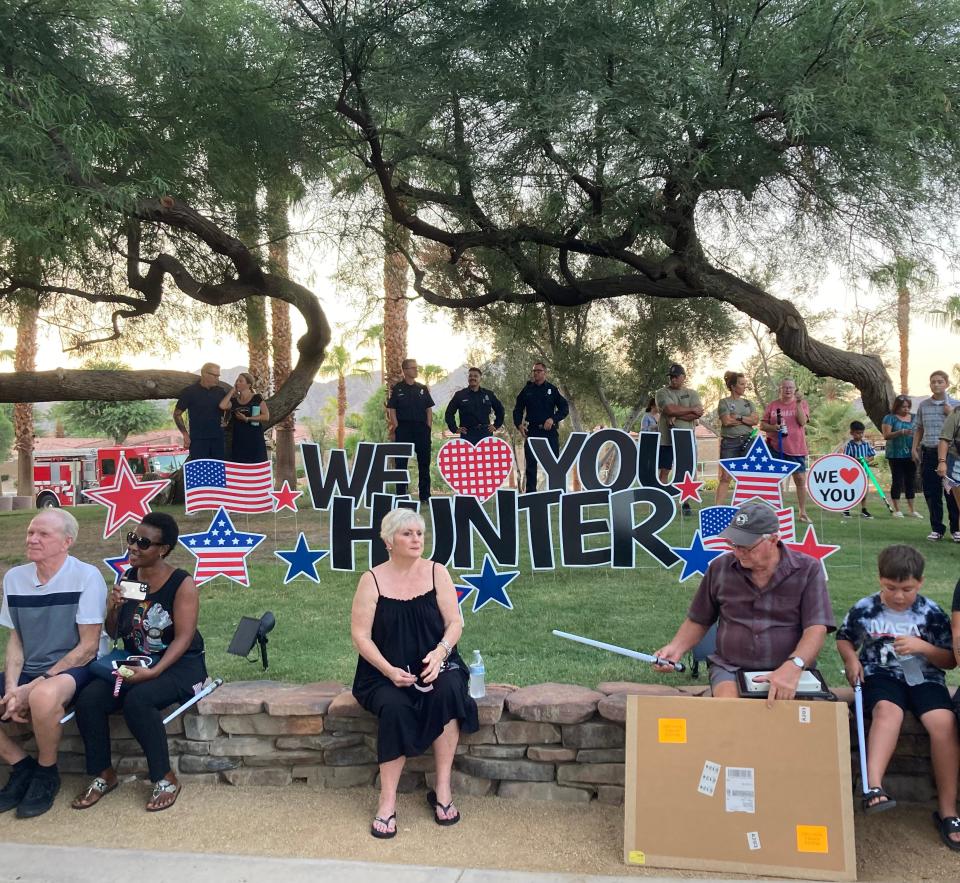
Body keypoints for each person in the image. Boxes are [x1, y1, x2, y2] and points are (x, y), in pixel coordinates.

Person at [350, 509, 479, 839]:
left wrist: (440, 653)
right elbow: (360, 636)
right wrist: (389, 670)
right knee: (394, 706)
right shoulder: (372, 579)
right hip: (383, 671)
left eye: (419, 533)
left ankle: (443, 789)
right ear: (388, 541)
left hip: (435, 662)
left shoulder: (438, 572)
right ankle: (387, 800)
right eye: (407, 534)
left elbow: (455, 623)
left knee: (449, 688)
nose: (416, 539)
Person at [72, 512, 205, 813]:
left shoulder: (182, 584)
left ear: (163, 549)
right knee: (89, 699)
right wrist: (113, 609)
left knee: (139, 701)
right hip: (135, 660)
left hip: (179, 664)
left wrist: (154, 672)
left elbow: (184, 638)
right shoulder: (129, 578)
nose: (133, 546)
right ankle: (103, 773)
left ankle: (165, 777)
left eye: (143, 543)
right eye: (132, 538)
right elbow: (115, 632)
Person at [836, 546, 960, 849]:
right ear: (880, 580)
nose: (899, 596)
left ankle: (948, 808)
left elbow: (949, 660)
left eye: (907, 589)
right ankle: (873, 786)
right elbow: (843, 637)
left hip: (925, 677)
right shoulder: (866, 608)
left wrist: (923, 648)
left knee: (943, 723)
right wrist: (851, 660)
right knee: (887, 712)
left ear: (920, 582)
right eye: (891, 588)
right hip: (881, 675)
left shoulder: (931, 612)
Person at [653, 499, 835, 704]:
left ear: (773, 540)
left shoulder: (807, 569)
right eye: (733, 544)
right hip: (731, 667)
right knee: (732, 713)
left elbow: (816, 627)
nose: (738, 552)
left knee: (795, 723)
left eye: (746, 547)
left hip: (789, 665)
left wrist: (794, 665)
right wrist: (675, 650)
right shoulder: (720, 568)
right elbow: (699, 619)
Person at [0, 510, 106, 818]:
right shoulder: (15, 578)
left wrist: (30, 687)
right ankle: (21, 765)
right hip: (32, 667)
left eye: (43, 534)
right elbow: (16, 640)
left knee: (42, 696)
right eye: (31, 532)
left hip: (76, 666)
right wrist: (11, 689)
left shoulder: (86, 576)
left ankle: (47, 772)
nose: (32, 539)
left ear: (66, 541)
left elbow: (87, 648)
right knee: (26, 692)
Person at [913, 370, 960, 542]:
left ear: (947, 384)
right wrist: (914, 448)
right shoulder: (924, 405)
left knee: (953, 491)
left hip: (952, 453)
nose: (937, 384)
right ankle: (937, 528)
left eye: (940, 381)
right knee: (932, 492)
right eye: (933, 382)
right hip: (929, 451)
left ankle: (956, 528)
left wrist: (950, 413)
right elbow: (919, 428)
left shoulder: (955, 405)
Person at [512, 361, 569, 492]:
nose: (536, 373)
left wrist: (553, 419)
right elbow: (518, 409)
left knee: (554, 464)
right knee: (531, 465)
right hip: (532, 431)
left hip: (549, 432)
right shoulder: (527, 390)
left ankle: (555, 493)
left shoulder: (552, 390)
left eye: (539, 371)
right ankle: (530, 495)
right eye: (534, 371)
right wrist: (519, 425)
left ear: (545, 373)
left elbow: (564, 408)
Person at [760, 378, 811, 523]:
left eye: (790, 387)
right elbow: (762, 425)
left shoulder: (801, 404)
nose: (787, 390)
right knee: (777, 481)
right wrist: (774, 427)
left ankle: (802, 512)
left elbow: (802, 422)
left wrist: (799, 404)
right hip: (775, 447)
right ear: (780, 389)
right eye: (784, 387)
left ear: (795, 389)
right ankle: (778, 513)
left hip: (796, 447)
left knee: (800, 479)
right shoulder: (773, 405)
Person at [654, 365, 703, 506]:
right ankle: (660, 501)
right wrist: (690, 411)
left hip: (686, 439)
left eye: (676, 376)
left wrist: (677, 415)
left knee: (687, 471)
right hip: (666, 440)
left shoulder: (692, 393)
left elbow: (698, 412)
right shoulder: (662, 393)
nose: (673, 379)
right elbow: (669, 409)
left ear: (683, 377)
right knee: (665, 470)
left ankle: (686, 503)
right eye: (671, 376)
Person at [387, 359, 435, 503]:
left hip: (421, 429)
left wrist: (428, 428)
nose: (416, 370)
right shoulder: (398, 389)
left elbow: (429, 410)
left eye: (416, 367)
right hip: (404, 429)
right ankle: (401, 495)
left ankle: (425, 497)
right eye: (413, 368)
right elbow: (391, 409)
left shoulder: (422, 388)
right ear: (405, 370)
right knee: (401, 464)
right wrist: (396, 427)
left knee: (424, 464)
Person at [715, 371, 758, 505]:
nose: (745, 386)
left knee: (748, 475)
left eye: (745, 384)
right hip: (730, 442)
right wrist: (747, 420)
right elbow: (727, 421)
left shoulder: (748, 403)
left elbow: (755, 420)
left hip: (748, 441)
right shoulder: (724, 402)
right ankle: (717, 508)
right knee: (726, 477)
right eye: (741, 384)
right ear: (733, 386)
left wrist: (739, 417)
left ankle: (745, 507)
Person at [174, 362, 227, 460]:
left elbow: (231, 407)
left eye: (218, 376)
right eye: (214, 375)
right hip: (198, 440)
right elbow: (177, 414)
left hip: (218, 440)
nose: (217, 378)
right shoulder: (189, 392)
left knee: (218, 473)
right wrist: (185, 435)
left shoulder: (221, 392)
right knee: (200, 473)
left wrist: (226, 420)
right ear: (204, 373)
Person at [444, 367, 505, 444]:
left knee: (485, 456)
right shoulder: (460, 395)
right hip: (467, 435)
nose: (472, 378)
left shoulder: (488, 394)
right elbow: (449, 413)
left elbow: (500, 410)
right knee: (468, 456)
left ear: (480, 379)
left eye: (475, 376)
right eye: (470, 376)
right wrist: (455, 429)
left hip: (485, 434)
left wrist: (496, 425)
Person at [220, 371, 270, 464]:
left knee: (257, 466)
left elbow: (266, 416)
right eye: (237, 381)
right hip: (239, 440)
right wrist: (232, 390)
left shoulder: (256, 398)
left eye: (240, 381)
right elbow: (222, 406)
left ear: (249, 384)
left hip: (254, 439)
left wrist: (248, 419)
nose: (237, 383)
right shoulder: (234, 401)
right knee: (240, 467)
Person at [882, 398, 920, 519]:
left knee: (911, 481)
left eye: (908, 406)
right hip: (895, 455)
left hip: (911, 454)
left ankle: (912, 510)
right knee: (897, 481)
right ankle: (897, 510)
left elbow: (920, 432)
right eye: (903, 407)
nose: (906, 409)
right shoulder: (889, 418)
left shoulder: (915, 418)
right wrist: (901, 432)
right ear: (897, 407)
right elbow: (886, 435)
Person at [843, 420, 876, 519]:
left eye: (861, 433)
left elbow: (872, 456)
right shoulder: (849, 445)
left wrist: (866, 459)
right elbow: (847, 458)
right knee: (851, 491)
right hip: (852, 473)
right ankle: (847, 509)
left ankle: (864, 509)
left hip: (864, 472)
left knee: (864, 491)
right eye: (857, 433)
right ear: (852, 433)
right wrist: (855, 460)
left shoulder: (866, 444)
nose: (860, 435)